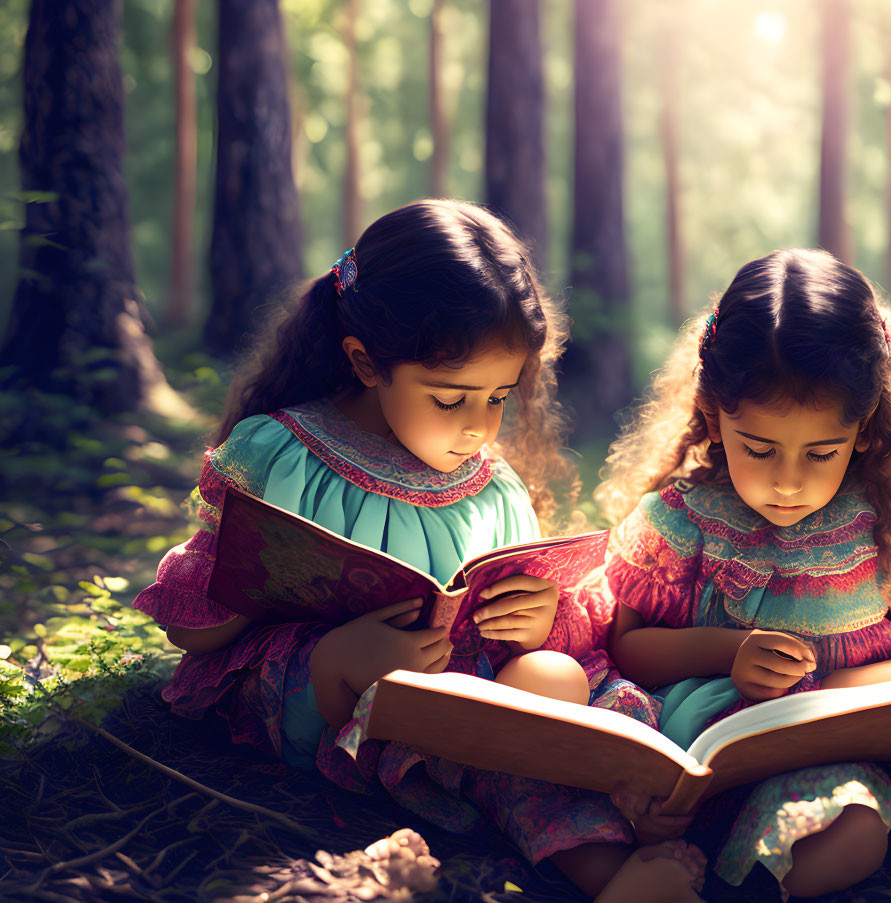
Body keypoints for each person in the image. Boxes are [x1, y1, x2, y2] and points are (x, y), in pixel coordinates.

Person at [133, 199, 704, 902]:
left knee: (551, 680)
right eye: (449, 397)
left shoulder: (492, 486)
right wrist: (323, 631)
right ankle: (607, 873)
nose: (477, 425)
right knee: (486, 744)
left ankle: (626, 811)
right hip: (328, 697)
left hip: (462, 697)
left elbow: (541, 625)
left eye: (497, 397)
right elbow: (193, 631)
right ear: (366, 362)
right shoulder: (280, 452)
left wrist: (535, 619)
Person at [594, 248, 891, 897]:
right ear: (713, 414)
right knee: (845, 832)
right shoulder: (685, 517)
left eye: (820, 451)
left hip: (882, 711)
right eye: (758, 448)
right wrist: (732, 652)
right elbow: (626, 645)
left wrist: (850, 687)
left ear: (863, 428)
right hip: (759, 740)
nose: (787, 480)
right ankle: (852, 825)